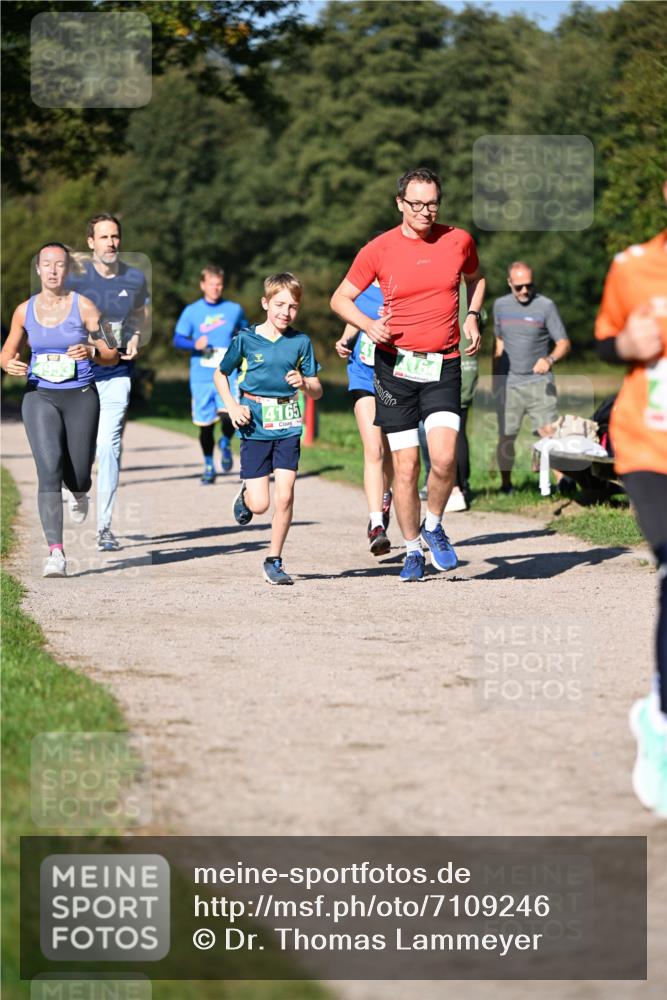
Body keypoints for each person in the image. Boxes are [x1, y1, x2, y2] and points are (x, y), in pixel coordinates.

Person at [330, 167, 484, 582]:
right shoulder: (378, 249)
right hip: (394, 369)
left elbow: (476, 277)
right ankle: (412, 548)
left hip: (443, 364)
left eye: (432, 203)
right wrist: (366, 325)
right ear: (400, 203)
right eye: (416, 204)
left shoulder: (459, 240)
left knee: (445, 457)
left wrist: (472, 315)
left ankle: (434, 526)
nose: (425, 212)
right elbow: (340, 298)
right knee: (405, 466)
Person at [595, 194, 667, 818]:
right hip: (651, 444)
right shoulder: (634, 266)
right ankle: (663, 722)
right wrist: (626, 344)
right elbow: (603, 342)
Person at [0, 243, 119, 577]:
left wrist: (92, 351)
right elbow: (7, 351)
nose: (53, 270)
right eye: (47, 264)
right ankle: (56, 552)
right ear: (38, 269)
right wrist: (8, 364)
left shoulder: (86, 307)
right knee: (49, 466)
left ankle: (79, 492)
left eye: (60, 264)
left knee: (79, 474)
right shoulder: (24, 311)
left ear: (68, 270)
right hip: (39, 395)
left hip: (80, 395)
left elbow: (113, 351)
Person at [214, 272, 322, 585]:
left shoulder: (300, 342)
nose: (285, 312)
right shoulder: (246, 339)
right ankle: (247, 493)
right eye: (279, 304)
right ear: (265, 303)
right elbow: (221, 374)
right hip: (255, 425)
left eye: (292, 306)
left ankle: (274, 560)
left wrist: (304, 383)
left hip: (288, 425)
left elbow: (317, 389)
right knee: (260, 505)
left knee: (285, 496)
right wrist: (233, 406)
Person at [65, 213, 149, 551]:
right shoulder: (76, 282)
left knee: (108, 446)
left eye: (115, 236)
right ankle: (77, 488)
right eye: (103, 237)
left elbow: (140, 315)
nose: (111, 243)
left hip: (117, 373)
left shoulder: (135, 278)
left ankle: (104, 528)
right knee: (79, 450)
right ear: (91, 242)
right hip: (80, 376)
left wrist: (136, 337)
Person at [493, 261, 571, 494]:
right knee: (506, 436)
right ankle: (506, 486)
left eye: (529, 285)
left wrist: (549, 359)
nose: (525, 290)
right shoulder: (500, 305)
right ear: (509, 283)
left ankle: (562, 483)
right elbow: (499, 343)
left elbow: (564, 343)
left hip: (539, 382)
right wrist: (496, 379)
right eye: (519, 287)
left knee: (549, 432)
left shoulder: (546, 306)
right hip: (509, 383)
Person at [335, 279, 394, 556]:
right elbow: (355, 318)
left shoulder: (404, 285)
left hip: (395, 378)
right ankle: (376, 524)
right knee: (374, 449)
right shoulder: (361, 286)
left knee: (392, 452)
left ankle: (385, 495)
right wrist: (345, 340)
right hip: (362, 374)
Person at [173, 265, 247, 484]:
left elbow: (245, 332)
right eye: (212, 284)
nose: (216, 288)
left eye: (219, 284)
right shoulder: (192, 311)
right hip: (201, 376)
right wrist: (194, 344)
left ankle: (225, 441)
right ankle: (208, 466)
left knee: (231, 414)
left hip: (227, 374)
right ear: (203, 285)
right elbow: (177, 339)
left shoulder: (234, 309)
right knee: (205, 425)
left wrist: (239, 344)